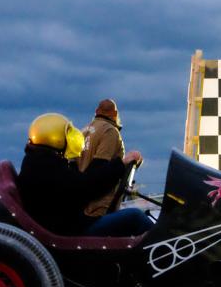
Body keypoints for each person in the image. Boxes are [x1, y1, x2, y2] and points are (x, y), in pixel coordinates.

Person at [17, 113, 140, 235]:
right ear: (54, 138)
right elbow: (86, 186)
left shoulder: (37, 162)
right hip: (70, 232)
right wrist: (121, 165)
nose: (70, 138)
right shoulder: (44, 165)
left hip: (66, 227)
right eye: (67, 134)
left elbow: (77, 185)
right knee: (135, 217)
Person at [77, 99, 153, 236]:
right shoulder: (110, 132)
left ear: (96, 112)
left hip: (80, 212)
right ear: (116, 114)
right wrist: (125, 162)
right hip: (95, 214)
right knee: (137, 218)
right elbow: (98, 171)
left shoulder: (83, 132)